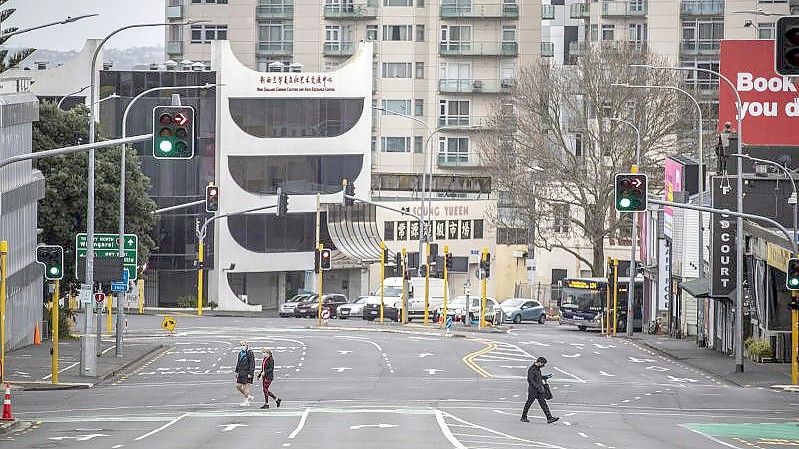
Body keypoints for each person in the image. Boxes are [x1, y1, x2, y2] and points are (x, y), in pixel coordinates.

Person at [521, 356, 558, 424]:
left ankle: (549, 418)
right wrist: (537, 387)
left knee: (543, 404)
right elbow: (530, 380)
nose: (543, 365)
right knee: (529, 403)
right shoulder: (532, 369)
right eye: (543, 364)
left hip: (539, 390)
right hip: (533, 390)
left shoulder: (537, 369)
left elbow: (538, 377)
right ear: (539, 362)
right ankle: (523, 417)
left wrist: (545, 377)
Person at [235, 340, 256, 406]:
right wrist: (236, 371)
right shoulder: (240, 353)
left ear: (247, 345)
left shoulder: (250, 353)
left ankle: (246, 401)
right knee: (238, 386)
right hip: (241, 372)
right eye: (241, 345)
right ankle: (248, 396)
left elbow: (252, 364)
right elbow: (238, 362)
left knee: (246, 387)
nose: (242, 347)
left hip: (247, 372)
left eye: (243, 345)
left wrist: (251, 373)